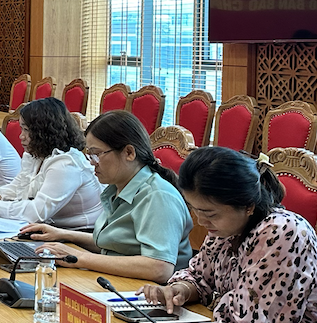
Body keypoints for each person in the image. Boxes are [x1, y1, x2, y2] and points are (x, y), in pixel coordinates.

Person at [140, 147, 317, 323]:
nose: (201, 221)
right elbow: (199, 277)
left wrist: (214, 298)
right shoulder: (225, 228)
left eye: (210, 213)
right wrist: (180, 290)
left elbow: (255, 319)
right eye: (195, 210)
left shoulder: (283, 231)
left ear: (248, 206)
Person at [22, 110, 193, 281]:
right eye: (89, 154)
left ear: (129, 153)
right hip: (120, 281)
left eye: (97, 154)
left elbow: (159, 268)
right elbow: (115, 245)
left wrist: (78, 257)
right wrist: (63, 234)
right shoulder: (116, 188)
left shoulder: (158, 196)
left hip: (150, 293)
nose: (91, 162)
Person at [0, 97, 103, 229]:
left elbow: (36, 212)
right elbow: (15, 188)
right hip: (51, 228)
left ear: (45, 132)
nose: (21, 136)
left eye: (26, 130)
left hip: (79, 233)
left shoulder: (66, 164)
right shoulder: (37, 154)